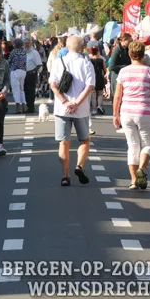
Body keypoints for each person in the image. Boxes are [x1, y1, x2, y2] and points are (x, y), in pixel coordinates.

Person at [113, 41, 150, 190]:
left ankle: (134, 180)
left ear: (130, 54)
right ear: (143, 55)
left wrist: (115, 114)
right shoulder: (149, 72)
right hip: (144, 111)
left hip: (127, 112)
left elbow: (117, 96)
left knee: (132, 146)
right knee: (147, 144)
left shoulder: (123, 72)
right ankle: (142, 168)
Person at [50, 35, 95, 186]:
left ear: (67, 47)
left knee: (64, 142)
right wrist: (76, 103)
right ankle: (79, 166)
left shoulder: (58, 62)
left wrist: (65, 102)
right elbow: (89, 87)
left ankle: (65, 176)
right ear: (82, 48)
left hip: (62, 109)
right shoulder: (86, 63)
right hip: (81, 109)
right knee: (84, 140)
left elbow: (53, 85)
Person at [8, 38, 28, 114]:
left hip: (15, 71)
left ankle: (18, 108)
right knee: (21, 89)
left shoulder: (13, 52)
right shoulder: (24, 52)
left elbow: (9, 61)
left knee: (15, 89)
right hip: (23, 71)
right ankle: (24, 106)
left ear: (14, 45)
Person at [24, 38, 43, 114]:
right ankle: (28, 106)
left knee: (31, 92)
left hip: (31, 74)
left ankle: (31, 108)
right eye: (25, 44)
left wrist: (34, 71)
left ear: (31, 44)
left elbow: (39, 64)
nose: (26, 45)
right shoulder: (22, 52)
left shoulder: (34, 53)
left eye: (28, 44)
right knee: (25, 91)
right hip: (23, 74)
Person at [89, 45, 107, 116]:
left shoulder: (89, 60)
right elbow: (105, 70)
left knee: (93, 95)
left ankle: (94, 110)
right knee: (100, 93)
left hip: (92, 78)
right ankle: (99, 106)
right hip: (99, 77)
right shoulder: (101, 60)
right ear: (97, 52)